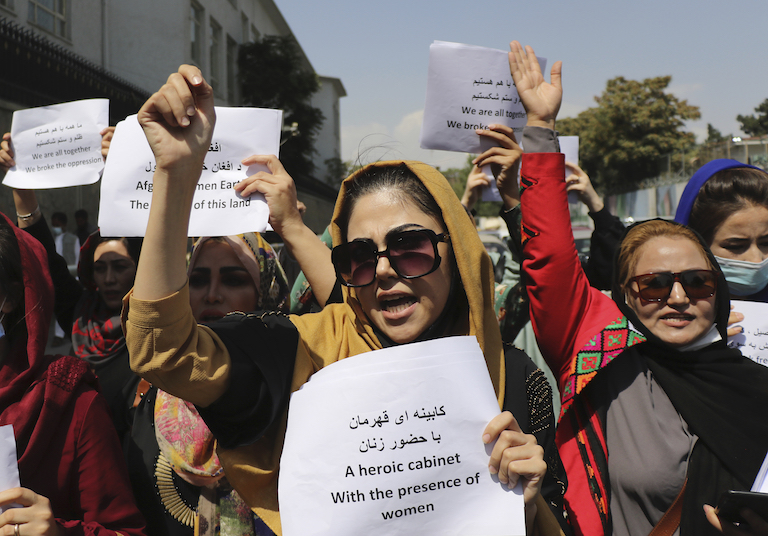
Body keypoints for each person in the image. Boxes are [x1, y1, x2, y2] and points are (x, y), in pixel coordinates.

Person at [124, 65, 565, 535]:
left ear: (454, 250)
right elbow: (162, 350)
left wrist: (526, 511)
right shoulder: (303, 353)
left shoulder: (514, 378)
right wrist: (174, 174)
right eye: (358, 257)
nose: (384, 271)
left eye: (410, 247)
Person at [509, 40, 768, 536]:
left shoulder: (756, 380)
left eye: (695, 282)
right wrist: (540, 133)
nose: (676, 297)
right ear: (625, 296)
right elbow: (554, 263)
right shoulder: (607, 358)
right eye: (653, 285)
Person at [127, 232, 290, 536]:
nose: (212, 294)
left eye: (233, 280)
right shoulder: (145, 398)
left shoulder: (299, 397)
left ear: (266, 294)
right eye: (198, 280)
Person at [0, 212, 146, 536]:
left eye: (120, 267)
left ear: (8, 299)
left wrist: (59, 532)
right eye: (100, 268)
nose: (109, 278)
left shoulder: (70, 403)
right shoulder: (82, 316)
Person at [674, 160, 768, 335]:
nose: (757, 260)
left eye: (766, 243)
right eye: (736, 246)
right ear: (695, 244)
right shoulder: (656, 313)